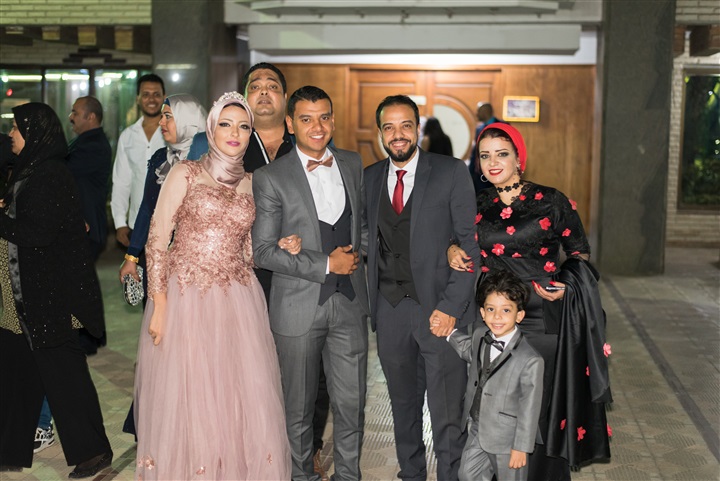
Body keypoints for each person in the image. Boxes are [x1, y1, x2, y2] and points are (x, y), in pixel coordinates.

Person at [133, 92, 291, 480]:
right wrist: (160, 304)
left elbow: (249, 251)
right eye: (226, 124)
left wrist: (280, 246)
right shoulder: (185, 173)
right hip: (186, 297)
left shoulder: (253, 183)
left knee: (237, 395)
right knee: (190, 395)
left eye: (243, 126)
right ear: (211, 128)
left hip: (238, 298)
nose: (234, 133)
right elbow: (157, 241)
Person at [448, 123, 612, 479]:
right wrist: (452, 249)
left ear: (519, 158)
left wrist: (567, 286)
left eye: (502, 154)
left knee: (538, 406)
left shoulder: (551, 200)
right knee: (496, 402)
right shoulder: (477, 203)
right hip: (494, 316)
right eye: (485, 155)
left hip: (540, 315)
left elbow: (579, 252)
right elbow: (458, 240)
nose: (493, 162)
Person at [253, 85, 369, 481]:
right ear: (290, 124)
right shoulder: (271, 176)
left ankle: (349, 476)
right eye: (306, 119)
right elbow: (262, 251)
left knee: (351, 405)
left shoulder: (352, 163)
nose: (317, 127)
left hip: (350, 304)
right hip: (297, 306)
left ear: (333, 120)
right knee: (298, 410)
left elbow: (361, 224)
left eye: (323, 118)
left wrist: (358, 255)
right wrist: (326, 263)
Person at [363, 95, 480, 481]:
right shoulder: (369, 177)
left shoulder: (450, 172)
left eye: (405, 125)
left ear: (418, 129)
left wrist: (451, 307)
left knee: (447, 412)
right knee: (403, 408)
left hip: (439, 309)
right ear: (380, 133)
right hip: (390, 309)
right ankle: (410, 474)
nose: (397, 134)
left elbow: (469, 244)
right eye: (389, 127)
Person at [0, 103, 112, 478]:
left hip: (47, 298)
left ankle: (93, 452)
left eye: (16, 129)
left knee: (65, 377)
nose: (11, 135)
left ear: (33, 134)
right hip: (21, 297)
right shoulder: (30, 169)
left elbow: (36, 234)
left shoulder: (49, 174)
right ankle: (9, 449)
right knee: (17, 371)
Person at [445, 270, 543, 481]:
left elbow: (529, 408)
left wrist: (521, 447)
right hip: (478, 426)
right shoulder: (480, 335)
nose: (497, 317)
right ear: (482, 313)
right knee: (467, 474)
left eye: (506, 310)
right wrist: (449, 333)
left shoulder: (530, 360)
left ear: (519, 315)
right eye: (491, 309)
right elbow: (469, 351)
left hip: (508, 438)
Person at [118, 94, 207, 292]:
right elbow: (147, 208)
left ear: (187, 120)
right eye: (162, 117)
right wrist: (132, 256)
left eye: (168, 117)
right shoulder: (161, 159)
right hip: (159, 257)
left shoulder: (211, 160)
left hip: (200, 263)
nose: (161, 123)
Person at [111, 73, 166, 248]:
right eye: (146, 94)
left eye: (156, 94)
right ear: (137, 99)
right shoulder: (128, 136)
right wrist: (120, 222)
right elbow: (121, 182)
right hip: (137, 224)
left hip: (170, 223)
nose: (152, 99)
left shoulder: (174, 134)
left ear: (164, 97)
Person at [67, 96, 112, 261]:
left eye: (75, 113)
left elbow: (62, 170)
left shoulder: (94, 146)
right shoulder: (83, 141)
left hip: (87, 228)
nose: (71, 117)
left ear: (91, 117)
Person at [469, 103, 505, 194]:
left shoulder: (503, 126)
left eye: (479, 111)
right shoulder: (479, 129)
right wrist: (471, 170)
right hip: (481, 175)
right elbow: (475, 152)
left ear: (486, 111)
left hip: (499, 171)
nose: (476, 114)